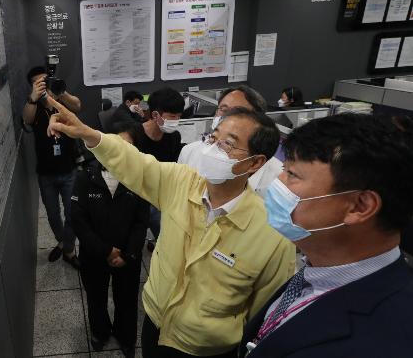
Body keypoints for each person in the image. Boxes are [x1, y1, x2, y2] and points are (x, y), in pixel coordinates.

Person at [47, 101, 296, 358]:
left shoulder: (272, 235)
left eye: (227, 144)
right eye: (213, 139)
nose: (212, 150)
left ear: (255, 163)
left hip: (206, 348)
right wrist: (89, 133)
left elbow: (265, 313)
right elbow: (137, 164)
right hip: (156, 324)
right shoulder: (182, 182)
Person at [237, 114, 413, 358]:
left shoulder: (382, 342)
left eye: (292, 174)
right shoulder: (320, 270)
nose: (277, 183)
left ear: (360, 206)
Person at [72, 121, 150, 358]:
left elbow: (141, 222)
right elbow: (79, 221)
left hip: (128, 256)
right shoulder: (86, 176)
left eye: (128, 145)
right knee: (96, 297)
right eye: (116, 143)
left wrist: (129, 254)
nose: (120, 150)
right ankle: (99, 332)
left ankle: (126, 337)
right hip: (94, 254)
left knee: (126, 299)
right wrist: (105, 250)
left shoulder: (140, 177)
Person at [22, 65, 82, 269]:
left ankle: (69, 250)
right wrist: (33, 97)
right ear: (32, 86)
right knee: (53, 213)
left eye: (45, 80)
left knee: (72, 213)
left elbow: (77, 106)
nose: (43, 84)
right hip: (46, 173)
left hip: (69, 170)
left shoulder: (60, 101)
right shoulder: (33, 105)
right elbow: (27, 119)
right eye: (38, 82)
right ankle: (62, 242)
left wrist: (59, 91)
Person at [178, 86, 284, 199]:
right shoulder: (190, 151)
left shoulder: (278, 173)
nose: (227, 118)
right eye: (223, 110)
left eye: (238, 113)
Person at [135, 87, 184, 251]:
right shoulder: (135, 135)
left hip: (159, 194)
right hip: (136, 193)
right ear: (155, 115)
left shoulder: (173, 136)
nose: (176, 120)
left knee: (164, 235)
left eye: (179, 116)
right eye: (172, 116)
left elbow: (172, 166)